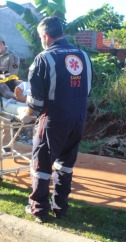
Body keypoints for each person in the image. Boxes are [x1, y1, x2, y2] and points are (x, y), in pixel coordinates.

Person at [24, 16, 93, 223]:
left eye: (40, 37)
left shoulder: (43, 59)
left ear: (46, 36)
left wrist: (25, 114)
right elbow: (87, 90)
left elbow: (35, 103)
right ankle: (60, 208)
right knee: (65, 164)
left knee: (41, 166)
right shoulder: (83, 56)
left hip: (53, 120)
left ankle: (39, 210)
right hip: (78, 119)